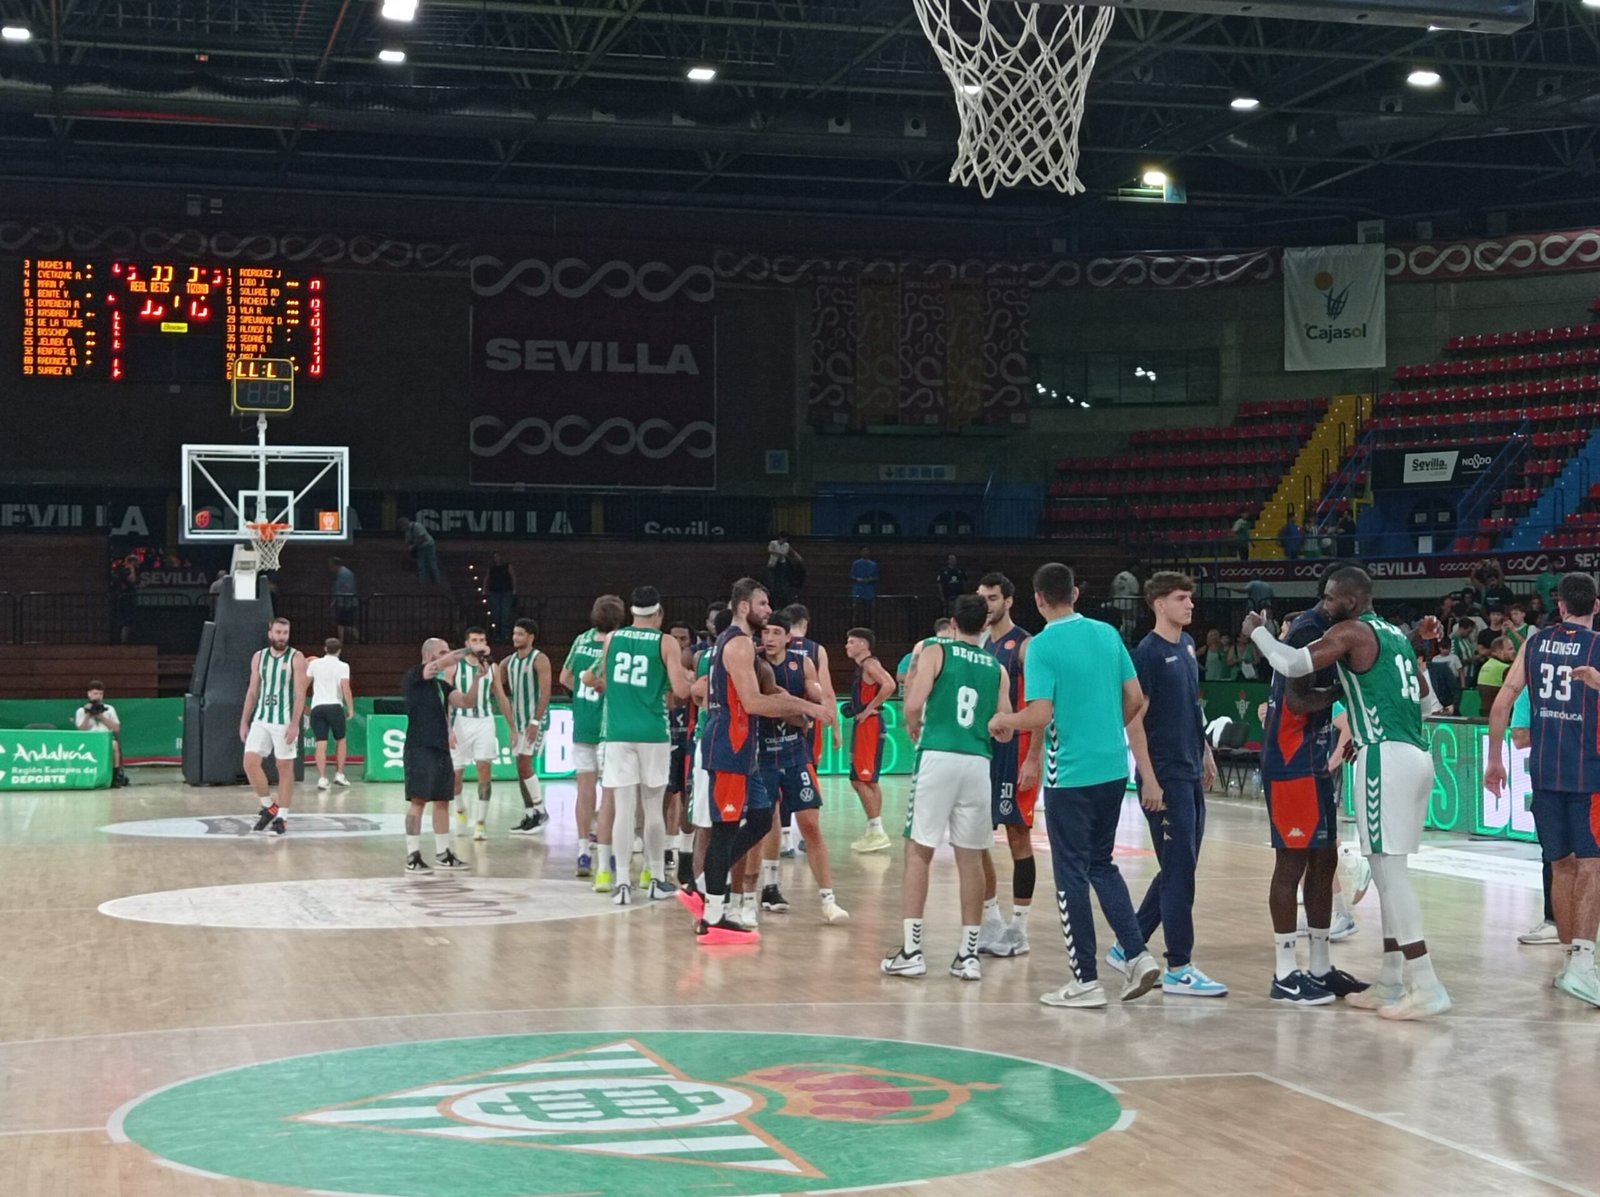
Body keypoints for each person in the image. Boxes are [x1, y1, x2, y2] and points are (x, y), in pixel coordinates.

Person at [1246, 566, 1451, 1020]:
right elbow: (1426, 701)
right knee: (1382, 873)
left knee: (1391, 876)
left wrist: (1259, 633)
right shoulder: (1398, 637)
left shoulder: (1351, 632)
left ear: (1352, 602)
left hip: (1384, 758)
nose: (1324, 603)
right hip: (1416, 756)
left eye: (1331, 597)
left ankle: (1427, 984)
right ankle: (1392, 980)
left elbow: (1293, 664)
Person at [988, 562, 1161, 1010]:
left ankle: (1084, 979)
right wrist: (1106, 730)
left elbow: (1040, 714)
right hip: (1111, 770)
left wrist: (1005, 719)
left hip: (1070, 776)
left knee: (1070, 877)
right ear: (1077, 593)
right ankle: (1137, 955)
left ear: (1038, 599)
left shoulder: (1040, 647)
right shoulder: (1107, 634)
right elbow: (1137, 699)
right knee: (1102, 865)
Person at [687, 577, 832, 944]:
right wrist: (806, 706)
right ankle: (713, 915)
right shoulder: (737, 645)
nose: (768, 611)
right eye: (763, 604)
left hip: (742, 747)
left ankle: (701, 884)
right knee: (725, 829)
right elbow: (753, 704)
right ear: (744, 606)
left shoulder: (739, 644)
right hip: (730, 745)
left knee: (761, 816)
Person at [1486, 573, 1600, 1008]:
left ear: (1560, 604)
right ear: (1596, 604)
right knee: (1591, 866)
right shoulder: (1597, 647)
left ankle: (1570, 961)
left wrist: (1495, 760)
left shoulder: (1534, 644)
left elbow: (1502, 702)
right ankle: (1583, 966)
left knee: (1561, 866)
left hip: (1543, 773)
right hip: (1588, 774)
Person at [885, 594, 1012, 981]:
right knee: (970, 858)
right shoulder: (996, 667)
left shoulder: (937, 651)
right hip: (978, 761)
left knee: (918, 851)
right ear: (985, 627)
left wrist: (913, 722)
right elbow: (1004, 728)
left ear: (953, 623)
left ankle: (912, 950)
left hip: (938, 753)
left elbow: (913, 701)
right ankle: (968, 955)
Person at [1122, 573, 1226, 997]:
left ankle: (1128, 943)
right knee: (1180, 872)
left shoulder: (1185, 646)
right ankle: (1178, 966)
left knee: (1180, 868)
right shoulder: (1146, 654)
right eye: (1181, 598)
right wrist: (1148, 778)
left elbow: (1188, 704)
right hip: (1164, 776)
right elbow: (1134, 719)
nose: (1190, 605)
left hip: (1187, 768)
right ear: (1158, 604)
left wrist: (1204, 748)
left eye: (1190, 598)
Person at [583, 585, 692, 905]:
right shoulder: (666, 641)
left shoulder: (613, 639)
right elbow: (681, 692)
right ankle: (656, 877)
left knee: (623, 810)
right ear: (658, 613)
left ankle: (621, 884)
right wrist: (692, 678)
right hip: (653, 732)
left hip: (617, 732)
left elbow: (594, 678)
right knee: (653, 808)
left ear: (632, 612)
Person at [753, 613, 849, 925]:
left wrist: (827, 714)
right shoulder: (753, 663)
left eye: (775, 632)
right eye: (765, 631)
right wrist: (801, 710)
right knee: (766, 821)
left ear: (787, 638)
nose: (769, 637)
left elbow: (820, 697)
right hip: (763, 752)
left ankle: (828, 899)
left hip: (795, 752)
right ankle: (769, 887)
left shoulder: (801, 661)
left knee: (810, 823)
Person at [973, 573, 1036, 959]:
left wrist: (1033, 756)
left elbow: (1042, 703)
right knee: (977, 837)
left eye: (993, 598)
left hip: (1017, 752)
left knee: (1017, 836)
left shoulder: (1025, 645)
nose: (987, 605)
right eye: (982, 598)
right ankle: (992, 919)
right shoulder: (979, 644)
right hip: (984, 751)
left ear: (1009, 601)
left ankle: (1020, 927)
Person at [401, 638, 489, 872]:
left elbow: (466, 702)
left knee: (442, 800)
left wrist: (478, 679)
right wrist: (470, 650)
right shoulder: (415, 675)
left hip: (441, 748)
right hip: (420, 747)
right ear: (429, 655)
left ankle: (443, 853)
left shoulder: (441, 686)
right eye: (442, 652)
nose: (448, 656)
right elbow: (441, 665)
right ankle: (412, 855)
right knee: (418, 801)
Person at [561, 594, 624, 878]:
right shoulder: (621, 641)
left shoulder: (581, 639)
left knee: (584, 790)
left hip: (582, 723)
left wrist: (583, 695)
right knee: (611, 794)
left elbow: (565, 677)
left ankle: (583, 851)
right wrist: (601, 688)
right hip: (609, 727)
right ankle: (607, 852)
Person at [239, 617, 308, 835]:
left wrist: (295, 724)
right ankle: (269, 806)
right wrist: (244, 720)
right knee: (250, 762)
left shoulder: (297, 657)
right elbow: (252, 691)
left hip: (284, 720)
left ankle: (283, 817)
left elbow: (300, 693)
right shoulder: (259, 657)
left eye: (285, 633)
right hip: (261, 718)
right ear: (270, 633)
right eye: (278, 632)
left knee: (284, 767)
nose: (281, 637)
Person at [448, 627, 510, 843]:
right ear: (466, 643)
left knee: (485, 772)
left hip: (485, 721)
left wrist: (512, 727)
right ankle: (460, 808)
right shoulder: (455, 665)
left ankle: (481, 823)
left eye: (482, 640)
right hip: (460, 722)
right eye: (474, 640)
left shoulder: (492, 666)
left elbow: (501, 697)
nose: (478, 643)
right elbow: (446, 698)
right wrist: (448, 729)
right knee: (456, 776)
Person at [844, 627, 897, 852]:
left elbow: (890, 684)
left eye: (852, 641)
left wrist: (869, 709)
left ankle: (877, 830)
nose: (847, 645)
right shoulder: (863, 667)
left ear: (864, 645)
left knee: (860, 779)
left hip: (870, 726)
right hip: (866, 725)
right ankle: (874, 828)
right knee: (866, 780)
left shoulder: (869, 664)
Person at [499, 617, 552, 835]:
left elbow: (546, 692)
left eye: (520, 634)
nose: (515, 637)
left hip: (534, 721)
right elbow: (495, 687)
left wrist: (535, 722)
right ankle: (530, 814)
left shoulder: (540, 659)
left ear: (531, 637)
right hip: (518, 722)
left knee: (525, 765)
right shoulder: (507, 662)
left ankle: (541, 810)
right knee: (519, 769)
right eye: (514, 633)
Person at [783, 604, 841, 798]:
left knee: (779, 773)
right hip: (809, 719)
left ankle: (782, 826)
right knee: (808, 773)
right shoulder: (816, 650)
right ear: (805, 623)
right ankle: (801, 825)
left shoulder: (775, 644)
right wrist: (835, 727)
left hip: (778, 716)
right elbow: (827, 693)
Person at [306, 638, 353, 791]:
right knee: (341, 740)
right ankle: (339, 774)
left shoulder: (314, 664)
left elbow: (304, 684)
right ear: (340, 650)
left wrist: (301, 704)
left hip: (318, 707)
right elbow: (345, 687)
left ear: (325, 649)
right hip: (335, 706)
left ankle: (322, 778)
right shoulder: (343, 666)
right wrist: (351, 708)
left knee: (321, 742)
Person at [74, 681, 128, 787]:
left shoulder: (109, 709)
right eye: (95, 693)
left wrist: (101, 717)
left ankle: (115, 776)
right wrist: (88, 715)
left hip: (105, 738)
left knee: (114, 745)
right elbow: (81, 730)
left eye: (100, 694)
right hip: (89, 738)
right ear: (89, 694)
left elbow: (116, 728)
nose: (98, 696)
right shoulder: (81, 711)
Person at [397, 516, 441, 585]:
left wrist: (413, 546)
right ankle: (423, 582)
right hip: (420, 548)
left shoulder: (417, 526)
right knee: (421, 565)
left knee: (432, 564)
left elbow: (423, 538)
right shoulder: (407, 532)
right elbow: (408, 543)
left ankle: (437, 581)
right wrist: (408, 549)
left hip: (429, 546)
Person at [485, 552, 517, 642]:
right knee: (496, 614)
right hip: (494, 592)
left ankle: (505, 635)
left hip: (506, 591)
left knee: (505, 614)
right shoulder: (491, 568)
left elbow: (513, 577)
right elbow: (487, 578)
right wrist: (485, 589)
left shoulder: (507, 566)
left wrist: (514, 589)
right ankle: (497, 635)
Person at [328, 557, 359, 644]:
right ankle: (354, 639)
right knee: (345, 623)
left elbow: (345, 589)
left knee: (344, 623)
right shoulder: (345, 573)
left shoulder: (344, 574)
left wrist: (337, 600)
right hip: (347, 602)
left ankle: (344, 640)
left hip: (346, 602)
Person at [1109, 561, 1140, 640]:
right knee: (1129, 623)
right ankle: (1126, 639)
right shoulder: (1132, 578)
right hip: (1128, 604)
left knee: (1119, 623)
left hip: (1117, 602)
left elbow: (1112, 589)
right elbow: (1135, 592)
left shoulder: (1118, 575)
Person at [850, 546, 879, 622]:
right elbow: (852, 575)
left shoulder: (874, 564)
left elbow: (876, 577)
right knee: (856, 608)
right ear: (860, 552)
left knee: (871, 609)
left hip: (869, 589)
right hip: (858, 588)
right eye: (864, 551)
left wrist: (870, 579)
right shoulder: (856, 563)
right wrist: (857, 579)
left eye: (867, 551)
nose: (865, 552)